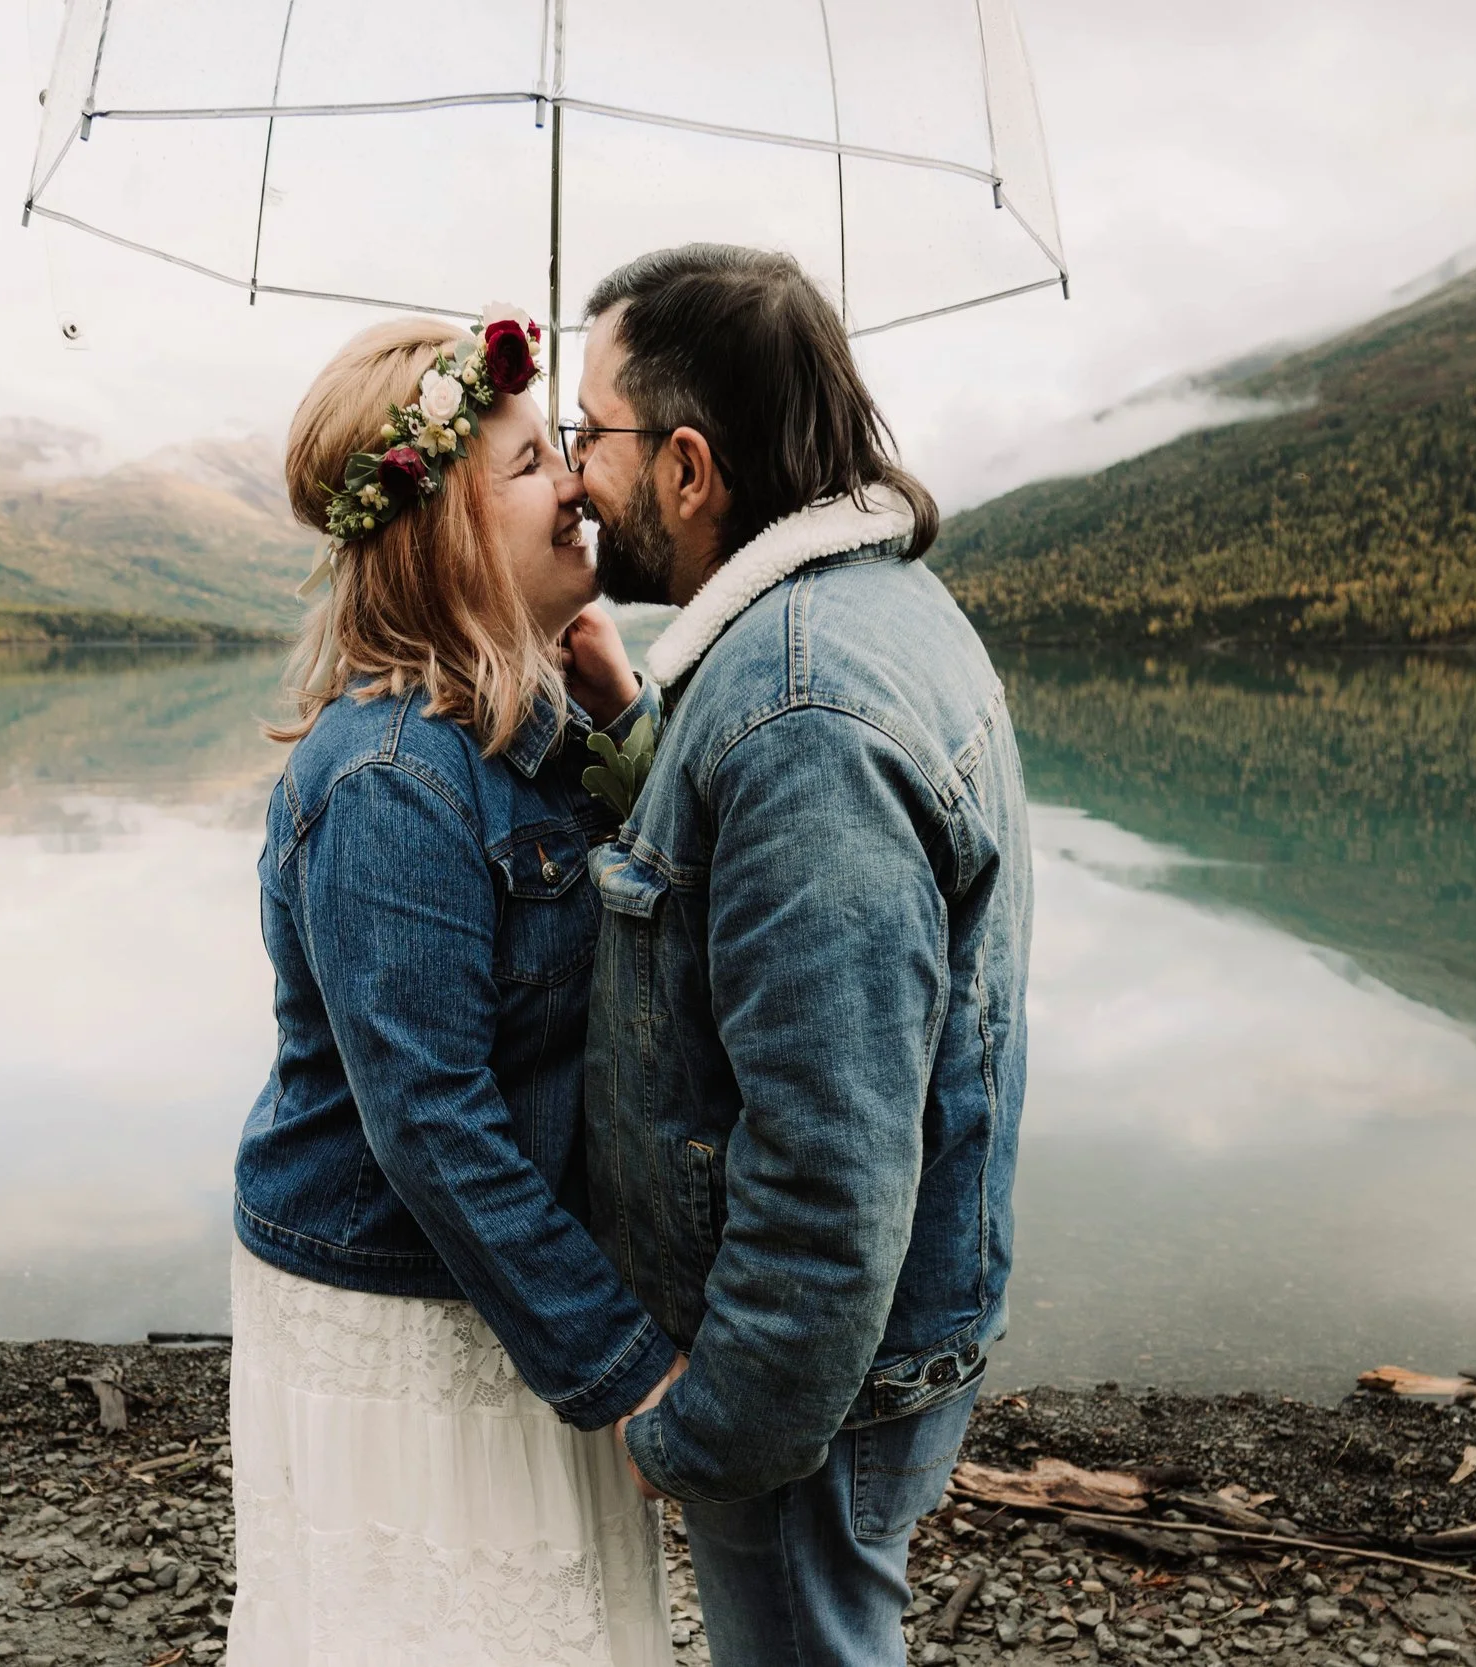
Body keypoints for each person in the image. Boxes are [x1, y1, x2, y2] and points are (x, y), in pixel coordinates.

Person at [568, 245, 1034, 1665]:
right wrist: (638, 719)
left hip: (805, 1389)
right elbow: (749, 895)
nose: (578, 471)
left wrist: (710, 1430)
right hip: (845, 1363)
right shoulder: (838, 629)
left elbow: (828, 1169)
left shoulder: (799, 714)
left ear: (691, 469)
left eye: (592, 434)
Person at [228, 310, 683, 1667]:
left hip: (508, 1287)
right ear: (445, 530)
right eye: (538, 462)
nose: (582, 486)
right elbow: (431, 1124)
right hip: (404, 1307)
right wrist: (623, 1371)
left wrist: (628, 723)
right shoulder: (389, 781)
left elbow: (674, 930)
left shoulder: (535, 735)